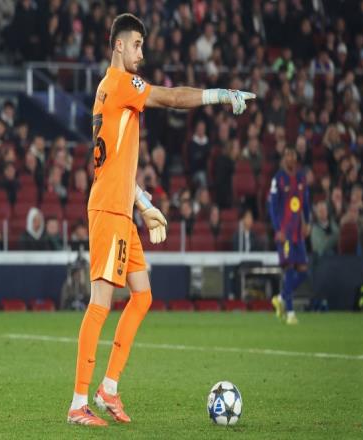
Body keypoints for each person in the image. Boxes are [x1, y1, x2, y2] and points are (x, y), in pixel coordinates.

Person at [67, 13, 255, 426]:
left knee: (142, 295)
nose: (141, 53)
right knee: (100, 304)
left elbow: (112, 162)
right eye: (137, 45)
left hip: (120, 206)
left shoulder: (107, 90)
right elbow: (171, 98)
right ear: (118, 45)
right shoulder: (121, 83)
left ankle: (108, 389)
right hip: (108, 211)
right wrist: (220, 95)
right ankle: (78, 403)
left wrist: (143, 203)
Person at [268, 147, 311, 325]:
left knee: (304, 272)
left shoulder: (301, 178)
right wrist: (277, 229)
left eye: (292, 155)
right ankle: (291, 313)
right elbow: (272, 206)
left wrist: (308, 222)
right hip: (284, 234)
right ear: (283, 159)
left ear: (296, 158)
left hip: (298, 233)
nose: (290, 158)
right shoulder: (278, 179)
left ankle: (281, 298)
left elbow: (305, 202)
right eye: (287, 155)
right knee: (290, 269)